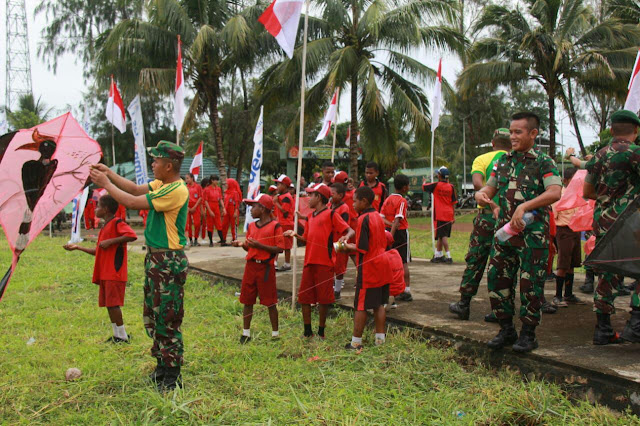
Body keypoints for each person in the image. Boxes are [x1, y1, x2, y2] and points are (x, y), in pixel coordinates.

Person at [89, 140, 189, 391]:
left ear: (168, 166)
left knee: (167, 317)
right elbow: (134, 189)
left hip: (168, 261)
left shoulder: (176, 189)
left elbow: (133, 203)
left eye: (155, 161)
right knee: (155, 314)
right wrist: (109, 173)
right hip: (157, 260)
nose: (152, 164)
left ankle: (172, 376)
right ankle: (161, 367)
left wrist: (106, 184)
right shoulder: (163, 184)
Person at [475, 112, 562, 353]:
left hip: (533, 237)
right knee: (496, 281)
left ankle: (528, 334)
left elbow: (555, 192)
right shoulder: (503, 161)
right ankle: (506, 329)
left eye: (518, 132)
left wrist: (524, 205)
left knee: (530, 285)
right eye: (511, 132)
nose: (512, 136)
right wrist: (481, 195)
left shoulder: (544, 162)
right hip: (505, 234)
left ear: (533, 134)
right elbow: (489, 189)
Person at [584, 109, 640, 344]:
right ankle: (635, 325)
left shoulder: (598, 156)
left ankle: (603, 329)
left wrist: (609, 200)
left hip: (604, 222)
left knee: (608, 272)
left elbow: (587, 191)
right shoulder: (636, 154)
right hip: (632, 225)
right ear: (636, 131)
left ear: (611, 130)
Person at [449, 128, 510, 321]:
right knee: (503, 262)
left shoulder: (482, 159)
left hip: (487, 217)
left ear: (493, 142)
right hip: (509, 218)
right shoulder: (514, 160)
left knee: (476, 259)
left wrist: (488, 197)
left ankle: (464, 304)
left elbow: (477, 184)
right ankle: (499, 310)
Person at [63, 195, 137, 343]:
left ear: (106, 209)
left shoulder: (117, 222)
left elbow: (131, 235)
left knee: (113, 305)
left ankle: (123, 336)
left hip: (114, 272)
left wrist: (111, 241)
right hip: (105, 272)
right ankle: (117, 335)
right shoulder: (105, 226)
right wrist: (78, 247)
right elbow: (98, 250)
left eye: (98, 206)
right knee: (109, 305)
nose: (95, 209)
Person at [284, 183, 354, 339]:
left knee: (324, 300)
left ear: (319, 197)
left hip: (325, 263)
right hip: (309, 262)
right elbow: (307, 239)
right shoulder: (310, 216)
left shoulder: (331, 214)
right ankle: (307, 331)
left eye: (311, 195)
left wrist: (346, 237)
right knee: (304, 298)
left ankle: (321, 332)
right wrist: (294, 235)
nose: (308, 199)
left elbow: (350, 230)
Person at [342, 186, 391, 349]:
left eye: (355, 201)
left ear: (364, 201)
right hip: (383, 263)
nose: (353, 204)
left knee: (361, 305)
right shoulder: (377, 215)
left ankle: (356, 342)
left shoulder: (363, 219)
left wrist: (346, 247)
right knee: (379, 304)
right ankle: (380, 340)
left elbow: (362, 248)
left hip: (370, 266)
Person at [232, 194, 283, 343]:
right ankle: (246, 333)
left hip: (266, 268)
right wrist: (242, 245)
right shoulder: (252, 226)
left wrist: (259, 246)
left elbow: (279, 248)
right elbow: (250, 248)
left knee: (270, 301)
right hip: (251, 266)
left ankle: (275, 334)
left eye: (254, 207)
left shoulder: (275, 226)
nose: (251, 210)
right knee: (247, 299)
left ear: (263, 208)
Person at [552, 167, 583, 307]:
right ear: (565, 180)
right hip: (564, 230)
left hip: (576, 231)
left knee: (572, 263)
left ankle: (568, 294)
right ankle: (557, 296)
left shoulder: (578, 194)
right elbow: (554, 216)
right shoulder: (561, 195)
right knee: (563, 264)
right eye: (573, 179)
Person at [381, 174, 412, 302]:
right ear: (404, 188)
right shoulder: (402, 201)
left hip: (387, 231)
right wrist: (392, 235)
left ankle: (392, 289)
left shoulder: (388, 199)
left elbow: (381, 217)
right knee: (403, 261)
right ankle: (406, 290)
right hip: (400, 232)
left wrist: (388, 229)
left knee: (390, 261)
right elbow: (397, 220)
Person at [423, 167, 457, 263]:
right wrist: (453, 216)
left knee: (443, 236)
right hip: (449, 214)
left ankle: (449, 256)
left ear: (439, 176)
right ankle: (438, 254)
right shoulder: (451, 187)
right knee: (440, 235)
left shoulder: (436, 185)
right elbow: (454, 202)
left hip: (440, 215)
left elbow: (424, 187)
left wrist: (424, 181)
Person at [330, 182, 351, 300]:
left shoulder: (344, 208)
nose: (330, 196)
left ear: (340, 195)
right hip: (330, 239)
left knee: (339, 265)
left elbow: (343, 226)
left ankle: (337, 290)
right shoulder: (329, 205)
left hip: (340, 240)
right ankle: (331, 287)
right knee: (330, 263)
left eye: (332, 194)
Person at [274, 174, 294, 271]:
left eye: (279, 184)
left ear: (285, 186)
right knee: (278, 243)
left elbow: (285, 211)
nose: (277, 187)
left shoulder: (286, 197)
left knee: (286, 245)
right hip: (282, 222)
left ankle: (286, 263)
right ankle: (275, 262)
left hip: (286, 223)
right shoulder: (282, 196)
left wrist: (276, 203)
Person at [385, 231, 406, 310]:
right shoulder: (396, 252)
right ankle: (392, 301)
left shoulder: (382, 256)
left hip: (390, 289)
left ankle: (386, 300)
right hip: (400, 287)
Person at [203, 175, 225, 246]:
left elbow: (220, 199)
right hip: (210, 206)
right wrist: (209, 210)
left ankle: (222, 241)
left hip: (216, 207)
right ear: (212, 180)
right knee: (210, 225)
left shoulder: (218, 189)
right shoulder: (207, 189)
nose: (217, 182)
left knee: (219, 224)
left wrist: (223, 208)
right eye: (215, 180)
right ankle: (211, 241)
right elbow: (205, 201)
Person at [221, 178, 242, 245]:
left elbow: (237, 202)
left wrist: (236, 211)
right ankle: (223, 239)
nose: (226, 185)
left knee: (233, 225)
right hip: (227, 210)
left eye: (227, 183)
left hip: (233, 209)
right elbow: (225, 202)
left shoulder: (235, 193)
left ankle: (234, 239)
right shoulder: (226, 192)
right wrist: (223, 209)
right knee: (224, 225)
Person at [184, 173, 203, 246]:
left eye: (188, 178)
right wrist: (188, 207)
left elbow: (200, 197)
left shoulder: (198, 187)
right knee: (188, 224)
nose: (187, 180)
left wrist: (194, 207)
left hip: (196, 206)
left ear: (192, 178)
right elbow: (184, 198)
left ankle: (196, 239)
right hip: (187, 207)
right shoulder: (185, 187)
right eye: (186, 178)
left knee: (197, 223)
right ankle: (190, 239)